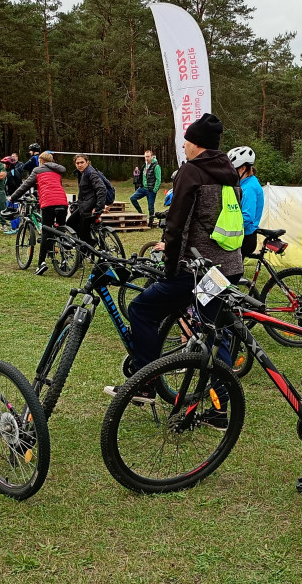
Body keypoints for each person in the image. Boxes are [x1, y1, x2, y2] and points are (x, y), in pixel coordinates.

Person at [108, 113, 241, 422]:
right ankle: (221, 408)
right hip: (225, 269)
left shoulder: (191, 173)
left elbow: (176, 227)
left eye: (187, 142)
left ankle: (146, 383)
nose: (184, 146)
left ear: (197, 145)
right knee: (213, 332)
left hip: (197, 270)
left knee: (142, 309)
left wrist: (169, 271)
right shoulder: (230, 173)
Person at [9, 151, 69, 276]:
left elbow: (25, 185)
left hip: (49, 203)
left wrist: (12, 197)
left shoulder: (37, 170)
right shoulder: (57, 171)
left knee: (46, 231)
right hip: (62, 202)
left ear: (41, 161)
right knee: (60, 230)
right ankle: (64, 260)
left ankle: (41, 263)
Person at [228, 146, 263, 258]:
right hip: (242, 235)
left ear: (243, 168)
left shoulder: (249, 187)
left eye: (234, 169)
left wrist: (228, 228)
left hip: (245, 237)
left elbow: (247, 217)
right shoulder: (246, 183)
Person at [67, 154, 106, 245]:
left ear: (87, 162)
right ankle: (86, 245)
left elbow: (101, 189)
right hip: (85, 205)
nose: (79, 165)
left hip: (90, 207)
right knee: (70, 222)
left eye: (82, 162)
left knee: (81, 230)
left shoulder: (91, 173)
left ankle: (90, 244)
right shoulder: (82, 173)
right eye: (77, 163)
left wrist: (98, 207)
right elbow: (86, 192)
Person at [129, 149, 161, 223]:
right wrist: (140, 184)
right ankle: (140, 212)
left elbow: (158, 179)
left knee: (150, 207)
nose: (147, 158)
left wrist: (154, 189)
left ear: (152, 156)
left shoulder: (156, 166)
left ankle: (151, 221)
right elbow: (142, 176)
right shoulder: (144, 165)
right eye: (145, 157)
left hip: (151, 190)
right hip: (143, 188)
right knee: (132, 198)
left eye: (148, 156)